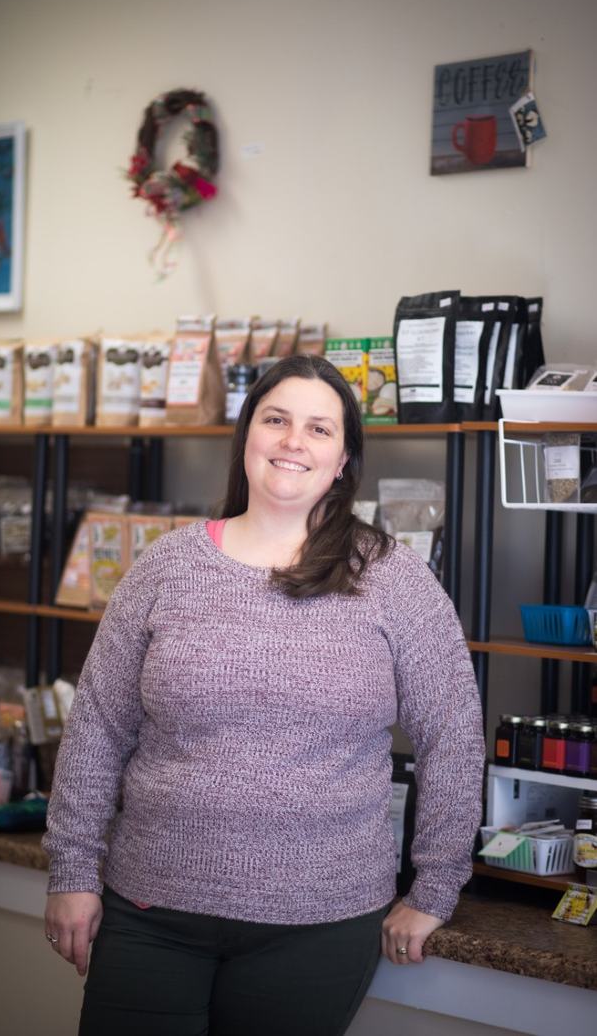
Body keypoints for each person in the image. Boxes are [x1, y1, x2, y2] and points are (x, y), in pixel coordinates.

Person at [43, 354, 485, 1036]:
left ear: (343, 460)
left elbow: (453, 733)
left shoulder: (393, 580)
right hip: (150, 910)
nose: (292, 442)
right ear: (246, 436)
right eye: (276, 420)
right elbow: (97, 724)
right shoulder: (166, 565)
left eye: (318, 429)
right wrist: (72, 868)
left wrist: (435, 888)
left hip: (319, 923)